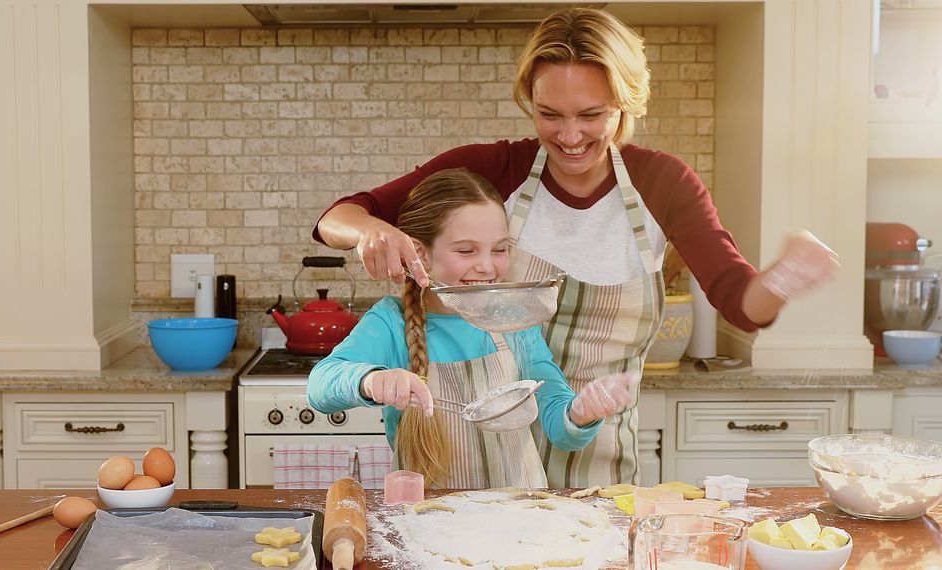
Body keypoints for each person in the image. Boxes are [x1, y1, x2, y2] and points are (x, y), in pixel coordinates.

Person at [312, 8, 839, 487]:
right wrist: (371, 232)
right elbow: (339, 216)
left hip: (594, 446)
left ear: (626, 103)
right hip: (475, 466)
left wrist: (784, 278)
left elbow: (741, 303)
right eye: (550, 114)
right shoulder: (495, 170)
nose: (568, 136)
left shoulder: (663, 185)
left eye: (591, 114)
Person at [306, 168, 633, 489]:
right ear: (419, 255)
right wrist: (372, 380)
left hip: (520, 519)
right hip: (430, 523)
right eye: (466, 250)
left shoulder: (513, 320)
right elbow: (319, 387)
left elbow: (560, 429)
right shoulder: (391, 322)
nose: (488, 266)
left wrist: (581, 412)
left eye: (500, 248)